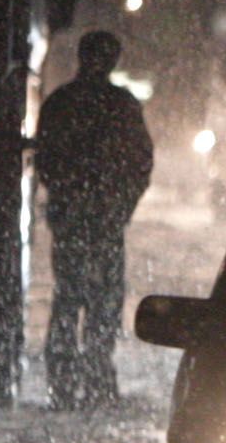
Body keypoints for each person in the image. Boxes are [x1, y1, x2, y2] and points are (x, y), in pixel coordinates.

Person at [34, 30, 155, 408]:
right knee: (103, 298)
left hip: (74, 216)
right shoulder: (121, 104)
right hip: (105, 218)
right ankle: (97, 375)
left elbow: (45, 160)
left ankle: (63, 381)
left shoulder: (61, 102)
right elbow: (141, 162)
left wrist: (67, 196)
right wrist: (121, 204)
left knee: (69, 295)